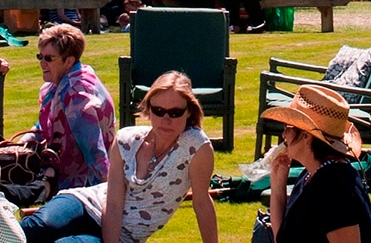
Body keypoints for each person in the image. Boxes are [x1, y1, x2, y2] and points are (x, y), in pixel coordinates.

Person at [20, 71, 218, 243]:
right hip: (89, 203)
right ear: (148, 110)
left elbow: (201, 203)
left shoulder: (195, 146)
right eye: (158, 111)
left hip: (124, 235)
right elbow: (113, 201)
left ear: (189, 111)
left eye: (175, 113)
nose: (166, 119)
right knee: (36, 229)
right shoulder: (127, 139)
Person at [1, 25, 115, 208]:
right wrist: (21, 144)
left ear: (68, 60)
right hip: (55, 173)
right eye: (40, 56)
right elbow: (44, 126)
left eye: (49, 58)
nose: (42, 63)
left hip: (78, 188)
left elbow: (96, 154)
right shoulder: (65, 82)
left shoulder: (77, 96)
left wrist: (103, 202)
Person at [261, 85, 371, 243]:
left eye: (288, 127)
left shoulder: (334, 189)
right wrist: (278, 182)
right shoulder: (310, 174)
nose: (283, 134)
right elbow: (282, 238)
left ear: (307, 136)